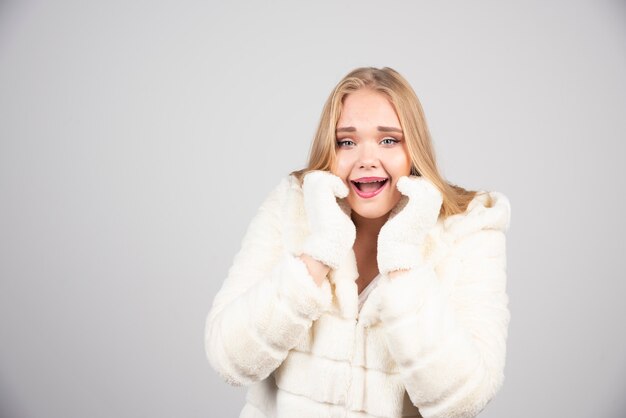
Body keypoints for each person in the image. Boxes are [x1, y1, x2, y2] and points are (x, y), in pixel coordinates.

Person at [204, 67, 511, 418]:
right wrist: (320, 251)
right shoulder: (291, 207)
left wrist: (403, 260)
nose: (366, 159)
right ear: (329, 150)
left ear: (415, 150)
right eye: (346, 142)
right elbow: (229, 360)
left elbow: (464, 400)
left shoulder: (469, 228)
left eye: (389, 140)